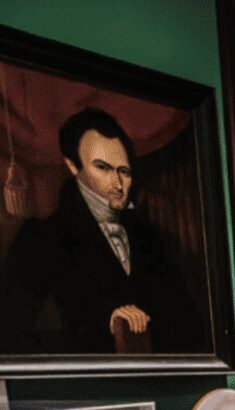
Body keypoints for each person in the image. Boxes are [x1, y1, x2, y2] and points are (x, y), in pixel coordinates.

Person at [0, 107, 194, 355]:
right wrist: (106, 322)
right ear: (73, 166)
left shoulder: (149, 239)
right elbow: (13, 334)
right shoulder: (41, 238)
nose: (117, 183)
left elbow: (185, 324)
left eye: (124, 171)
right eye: (102, 168)